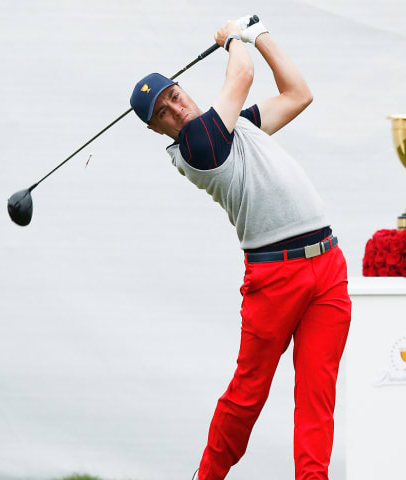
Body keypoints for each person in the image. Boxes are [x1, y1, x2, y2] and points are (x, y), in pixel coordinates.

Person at [129, 16, 352, 480]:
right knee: (248, 394)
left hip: (328, 265)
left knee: (317, 396)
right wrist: (233, 37)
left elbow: (298, 95)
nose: (175, 107)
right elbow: (243, 75)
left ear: (182, 88)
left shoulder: (233, 128)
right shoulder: (197, 145)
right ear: (156, 130)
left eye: (174, 94)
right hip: (275, 278)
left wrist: (261, 34)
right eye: (163, 113)